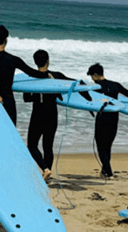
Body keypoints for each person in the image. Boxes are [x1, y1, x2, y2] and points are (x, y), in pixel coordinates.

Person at [23, 50, 86, 180]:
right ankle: (48, 173)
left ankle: (45, 169)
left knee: (32, 145)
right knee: (48, 146)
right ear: (48, 60)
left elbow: (26, 99)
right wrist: (88, 98)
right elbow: (76, 83)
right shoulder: (56, 75)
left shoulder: (31, 78)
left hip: (38, 115)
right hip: (52, 115)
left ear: (35, 62)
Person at [0, 25, 46, 125]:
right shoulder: (13, 60)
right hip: (7, 103)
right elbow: (32, 73)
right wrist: (47, 75)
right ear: (6, 40)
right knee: (10, 135)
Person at [85, 63, 128, 179]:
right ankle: (104, 171)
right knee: (108, 146)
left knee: (101, 147)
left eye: (92, 76)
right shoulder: (116, 85)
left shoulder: (95, 88)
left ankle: (109, 172)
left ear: (96, 75)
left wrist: (89, 110)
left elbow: (88, 102)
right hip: (114, 119)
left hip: (102, 119)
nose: (92, 79)